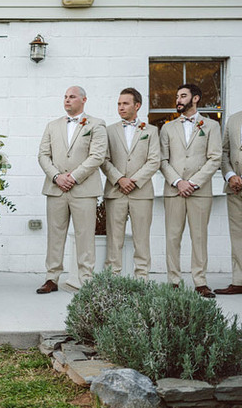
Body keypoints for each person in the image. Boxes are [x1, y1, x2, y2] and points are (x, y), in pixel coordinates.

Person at [36, 86, 107, 293]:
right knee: (55, 235)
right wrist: (57, 177)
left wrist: (73, 177)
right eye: (65, 97)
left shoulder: (96, 124)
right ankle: (52, 278)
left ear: (84, 100)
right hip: (56, 188)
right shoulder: (52, 125)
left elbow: (97, 156)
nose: (67, 100)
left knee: (85, 235)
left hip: (83, 189)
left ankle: (86, 279)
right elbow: (42, 155)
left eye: (72, 97)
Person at [159, 84, 221, 298]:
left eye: (183, 96)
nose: (178, 99)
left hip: (200, 191)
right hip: (174, 190)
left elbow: (215, 159)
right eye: (177, 96)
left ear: (195, 99)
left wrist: (193, 182)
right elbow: (163, 160)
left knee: (199, 237)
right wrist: (178, 182)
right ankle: (173, 281)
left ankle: (200, 282)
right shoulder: (167, 128)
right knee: (172, 237)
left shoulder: (212, 126)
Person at [100, 88, 160, 280]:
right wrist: (120, 179)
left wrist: (133, 181)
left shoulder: (151, 131)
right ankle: (112, 278)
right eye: (119, 104)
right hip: (115, 191)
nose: (121, 107)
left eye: (125, 103)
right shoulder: (109, 131)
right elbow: (104, 159)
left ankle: (141, 279)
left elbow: (154, 161)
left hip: (141, 192)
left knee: (141, 239)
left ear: (137, 105)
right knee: (114, 239)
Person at [217, 109, 242, 295]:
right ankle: (239, 281)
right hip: (235, 188)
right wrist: (230, 175)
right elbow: (224, 152)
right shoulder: (234, 119)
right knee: (237, 235)